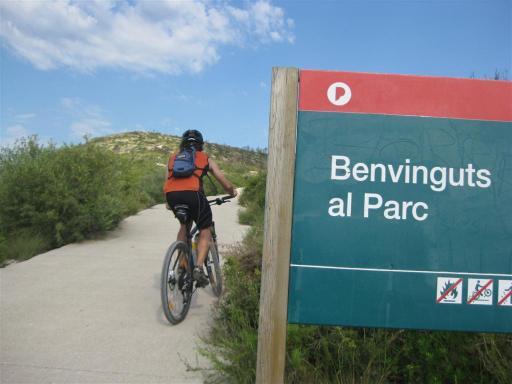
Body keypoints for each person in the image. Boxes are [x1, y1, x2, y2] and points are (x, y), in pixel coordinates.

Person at [163, 129, 237, 287]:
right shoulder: (204, 158)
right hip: (193, 195)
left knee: (184, 225)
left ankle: (182, 263)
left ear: (183, 143)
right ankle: (197, 268)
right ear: (200, 145)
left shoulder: (173, 158)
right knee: (205, 229)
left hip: (172, 195)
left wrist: (168, 203)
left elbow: (167, 182)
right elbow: (222, 179)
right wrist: (232, 191)